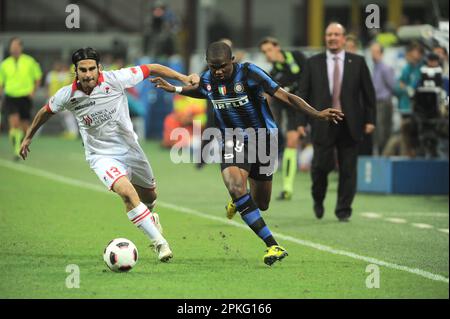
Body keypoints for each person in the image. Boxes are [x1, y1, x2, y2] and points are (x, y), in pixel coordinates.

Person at [151, 42, 343, 265]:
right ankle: (273, 245)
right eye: (213, 67)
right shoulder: (208, 78)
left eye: (222, 66)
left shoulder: (250, 73)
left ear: (232, 60)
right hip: (232, 140)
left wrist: (317, 114)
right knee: (235, 185)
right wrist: (175, 89)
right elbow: (203, 91)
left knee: (261, 203)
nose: (218, 71)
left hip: (263, 140)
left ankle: (240, 201)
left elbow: (286, 96)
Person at [19, 47, 199, 262]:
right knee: (127, 193)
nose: (88, 74)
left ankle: (150, 216)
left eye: (91, 69)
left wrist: (183, 77)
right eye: (82, 70)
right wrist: (29, 136)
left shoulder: (115, 79)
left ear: (99, 68)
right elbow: (45, 111)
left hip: (131, 149)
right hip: (100, 155)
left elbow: (151, 68)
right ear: (75, 71)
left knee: (150, 196)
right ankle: (160, 243)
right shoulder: (67, 95)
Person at [298, 22, 376, 222]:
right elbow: (303, 94)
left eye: (336, 34)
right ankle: (318, 198)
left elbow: (369, 95)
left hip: (350, 123)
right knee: (320, 167)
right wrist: (301, 121)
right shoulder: (312, 62)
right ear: (325, 38)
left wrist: (370, 120)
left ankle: (343, 210)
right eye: (329, 34)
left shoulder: (358, 62)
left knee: (349, 169)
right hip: (322, 122)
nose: (332, 38)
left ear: (343, 39)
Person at [259, 36, 307, 200]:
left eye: (269, 50)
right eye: (264, 52)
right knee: (291, 141)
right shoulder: (273, 75)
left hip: (312, 105)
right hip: (294, 111)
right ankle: (287, 188)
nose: (267, 54)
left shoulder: (297, 57)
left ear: (277, 47)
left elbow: (310, 76)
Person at [0, 37, 42, 160]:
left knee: (25, 127)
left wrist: (33, 91)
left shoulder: (30, 61)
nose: (14, 49)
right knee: (14, 124)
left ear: (21, 48)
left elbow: (38, 77)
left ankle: (22, 144)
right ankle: (16, 151)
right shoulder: (5, 64)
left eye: (17, 47)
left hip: (25, 97)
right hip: (11, 96)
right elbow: (1, 83)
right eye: (12, 47)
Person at [370, 42, 395, 155]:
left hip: (383, 102)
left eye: (375, 52)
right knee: (377, 132)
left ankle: (385, 155)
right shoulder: (374, 68)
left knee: (383, 132)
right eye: (372, 52)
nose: (373, 55)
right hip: (376, 103)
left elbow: (392, 85)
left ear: (381, 53)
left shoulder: (385, 68)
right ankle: (380, 155)